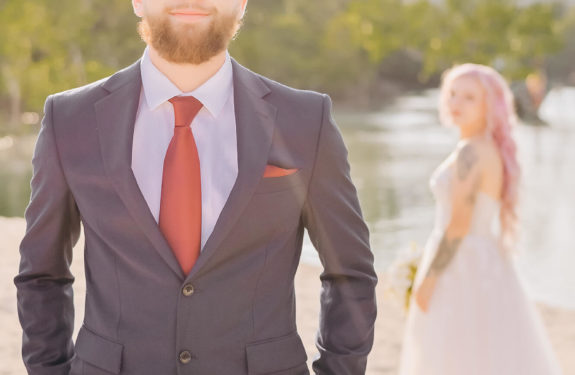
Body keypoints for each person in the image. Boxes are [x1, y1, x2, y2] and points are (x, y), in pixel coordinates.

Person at [14, 1, 377, 374]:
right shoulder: (68, 120)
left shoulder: (306, 120)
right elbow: (43, 275)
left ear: (241, 3)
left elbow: (349, 272)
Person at [398, 64, 563, 375]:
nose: (456, 103)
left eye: (469, 97)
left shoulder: (471, 154)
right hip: (486, 260)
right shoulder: (488, 148)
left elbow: (459, 225)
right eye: (452, 94)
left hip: (461, 263)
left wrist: (428, 280)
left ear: (491, 105)